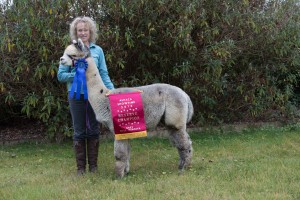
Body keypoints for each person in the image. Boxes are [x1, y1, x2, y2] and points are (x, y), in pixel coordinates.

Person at [57, 16, 114, 175]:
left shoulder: (98, 51)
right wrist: (77, 75)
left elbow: (104, 73)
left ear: (90, 32)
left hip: (95, 97)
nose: (83, 33)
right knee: (79, 130)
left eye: (85, 30)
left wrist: (112, 91)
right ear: (75, 32)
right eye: (79, 30)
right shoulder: (70, 50)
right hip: (76, 95)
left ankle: (94, 167)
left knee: (94, 129)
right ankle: (81, 169)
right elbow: (61, 75)